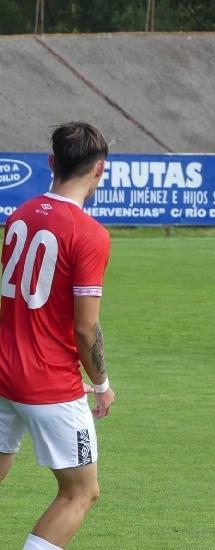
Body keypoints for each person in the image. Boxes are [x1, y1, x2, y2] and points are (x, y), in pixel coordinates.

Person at [0, 122, 116, 549]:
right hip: (48, 382)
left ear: (51, 163)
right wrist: (102, 385)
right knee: (81, 492)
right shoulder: (89, 234)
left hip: (3, 373)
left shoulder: (19, 215)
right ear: (99, 169)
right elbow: (85, 327)